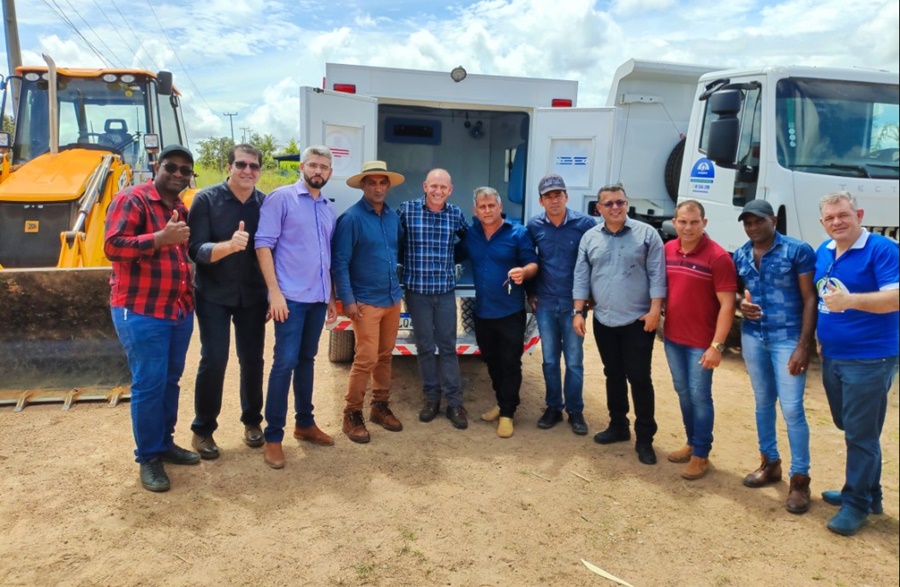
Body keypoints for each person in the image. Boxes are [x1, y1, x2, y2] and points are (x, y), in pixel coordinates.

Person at [104, 144, 201, 492]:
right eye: (171, 167)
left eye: (185, 170)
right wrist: (160, 238)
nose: (178, 174)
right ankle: (148, 457)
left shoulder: (180, 208)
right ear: (156, 167)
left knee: (170, 380)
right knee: (149, 384)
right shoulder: (133, 200)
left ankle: (164, 443)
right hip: (142, 310)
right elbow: (112, 246)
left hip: (177, 310)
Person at [814, 191, 899, 536]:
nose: (837, 222)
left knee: (861, 434)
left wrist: (850, 301)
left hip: (870, 357)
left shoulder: (882, 249)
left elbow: (895, 297)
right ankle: (870, 492)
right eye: (830, 217)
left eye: (843, 215)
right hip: (833, 355)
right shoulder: (824, 251)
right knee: (850, 425)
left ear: (859, 215)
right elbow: (823, 298)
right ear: (822, 222)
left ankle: (856, 504)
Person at [255, 145, 337, 469]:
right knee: (285, 362)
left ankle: (305, 423)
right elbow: (263, 245)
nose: (318, 171)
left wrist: (331, 297)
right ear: (302, 167)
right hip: (289, 299)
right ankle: (273, 436)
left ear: (330, 173)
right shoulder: (282, 198)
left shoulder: (328, 208)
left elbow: (326, 256)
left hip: (317, 298)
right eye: (313, 165)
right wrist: (274, 294)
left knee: (306, 360)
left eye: (324, 167)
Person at [572, 184, 665, 464]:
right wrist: (578, 311)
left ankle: (645, 438)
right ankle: (618, 426)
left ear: (627, 203)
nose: (615, 207)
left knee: (639, 377)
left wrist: (655, 310)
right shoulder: (589, 238)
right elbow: (581, 276)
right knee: (612, 374)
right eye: (609, 203)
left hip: (638, 320)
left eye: (620, 202)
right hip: (604, 319)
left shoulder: (647, 234)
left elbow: (657, 274)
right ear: (598, 208)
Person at [734, 199, 817, 513]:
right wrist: (741, 303)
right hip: (753, 336)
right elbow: (738, 292)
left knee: (792, 408)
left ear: (773, 220)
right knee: (762, 402)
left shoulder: (797, 250)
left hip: (788, 338)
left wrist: (804, 345)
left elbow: (810, 299)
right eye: (748, 222)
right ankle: (770, 463)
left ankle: (800, 479)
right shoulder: (741, 254)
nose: (753, 227)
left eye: (758, 221)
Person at [187, 144, 268, 460]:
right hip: (213, 294)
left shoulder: (265, 204)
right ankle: (203, 429)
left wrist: (273, 292)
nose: (247, 171)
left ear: (260, 170)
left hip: (253, 295)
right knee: (214, 358)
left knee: (253, 359)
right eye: (241, 164)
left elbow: (273, 250)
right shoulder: (205, 200)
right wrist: (229, 246)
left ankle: (253, 422)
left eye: (254, 166)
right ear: (228, 167)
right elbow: (195, 250)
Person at [332, 161, 406, 444]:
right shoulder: (351, 219)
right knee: (365, 359)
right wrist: (347, 300)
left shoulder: (392, 217)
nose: (378, 188)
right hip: (365, 301)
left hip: (391, 298)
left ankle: (379, 406)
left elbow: (396, 253)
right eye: (372, 182)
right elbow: (340, 262)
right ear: (362, 185)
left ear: (388, 186)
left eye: (382, 182)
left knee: (385, 355)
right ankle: (351, 414)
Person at [663, 199, 736, 480]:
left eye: (694, 222)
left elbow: (728, 305)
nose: (688, 227)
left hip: (701, 343)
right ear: (675, 222)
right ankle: (692, 442)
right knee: (683, 392)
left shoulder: (718, 257)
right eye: (682, 221)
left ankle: (702, 454)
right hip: (673, 338)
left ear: (704, 223)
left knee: (700, 396)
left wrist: (716, 346)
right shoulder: (668, 250)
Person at [458, 187, 538, 438]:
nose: (487, 210)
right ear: (475, 211)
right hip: (483, 312)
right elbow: (453, 255)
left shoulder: (518, 233)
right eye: (482, 207)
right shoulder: (471, 236)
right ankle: (502, 402)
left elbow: (533, 263)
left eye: (491, 205)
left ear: (500, 207)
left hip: (510, 311)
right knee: (491, 361)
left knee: (510, 363)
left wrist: (524, 272)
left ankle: (507, 414)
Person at [398, 168, 470, 429]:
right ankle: (431, 399)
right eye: (434, 186)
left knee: (448, 347)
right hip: (417, 292)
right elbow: (395, 242)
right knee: (425, 347)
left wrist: (453, 258)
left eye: (443, 187)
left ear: (450, 190)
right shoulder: (407, 211)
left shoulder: (455, 214)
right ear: (425, 186)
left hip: (445, 292)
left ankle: (455, 403)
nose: (438, 191)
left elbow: (469, 241)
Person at [526, 174, 597, 435]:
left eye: (558, 195)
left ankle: (575, 410)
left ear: (566, 197)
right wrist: (531, 292)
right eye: (548, 196)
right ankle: (553, 407)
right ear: (541, 201)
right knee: (549, 359)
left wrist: (590, 296)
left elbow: (593, 260)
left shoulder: (585, 224)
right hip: (545, 302)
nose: (554, 200)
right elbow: (529, 258)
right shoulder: (534, 226)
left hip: (573, 304)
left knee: (574, 360)